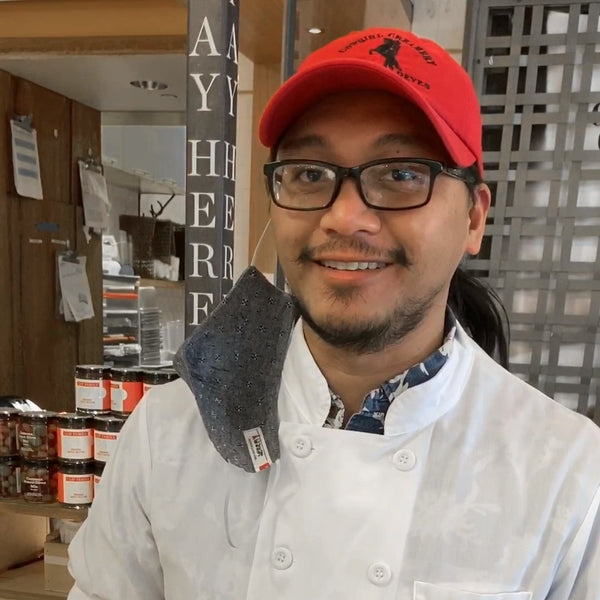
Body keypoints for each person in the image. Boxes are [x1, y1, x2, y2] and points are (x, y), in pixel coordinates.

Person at [67, 27, 600, 600]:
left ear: (474, 218)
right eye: (310, 174)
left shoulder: (567, 472)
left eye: (401, 175)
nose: (345, 218)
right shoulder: (168, 434)